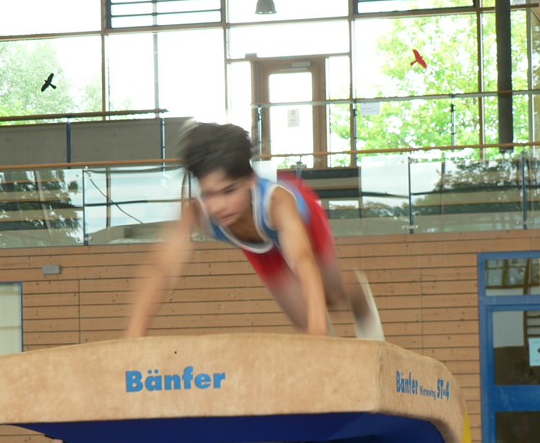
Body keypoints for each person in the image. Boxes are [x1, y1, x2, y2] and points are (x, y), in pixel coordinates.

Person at [125, 122, 384, 341]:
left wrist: (319, 332)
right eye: (209, 194)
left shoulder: (277, 203)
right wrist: (134, 336)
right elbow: (160, 268)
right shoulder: (197, 212)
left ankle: (355, 292)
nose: (218, 206)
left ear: (251, 179)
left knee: (332, 297)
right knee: (303, 322)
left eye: (229, 191)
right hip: (259, 246)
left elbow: (303, 259)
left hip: (302, 223)